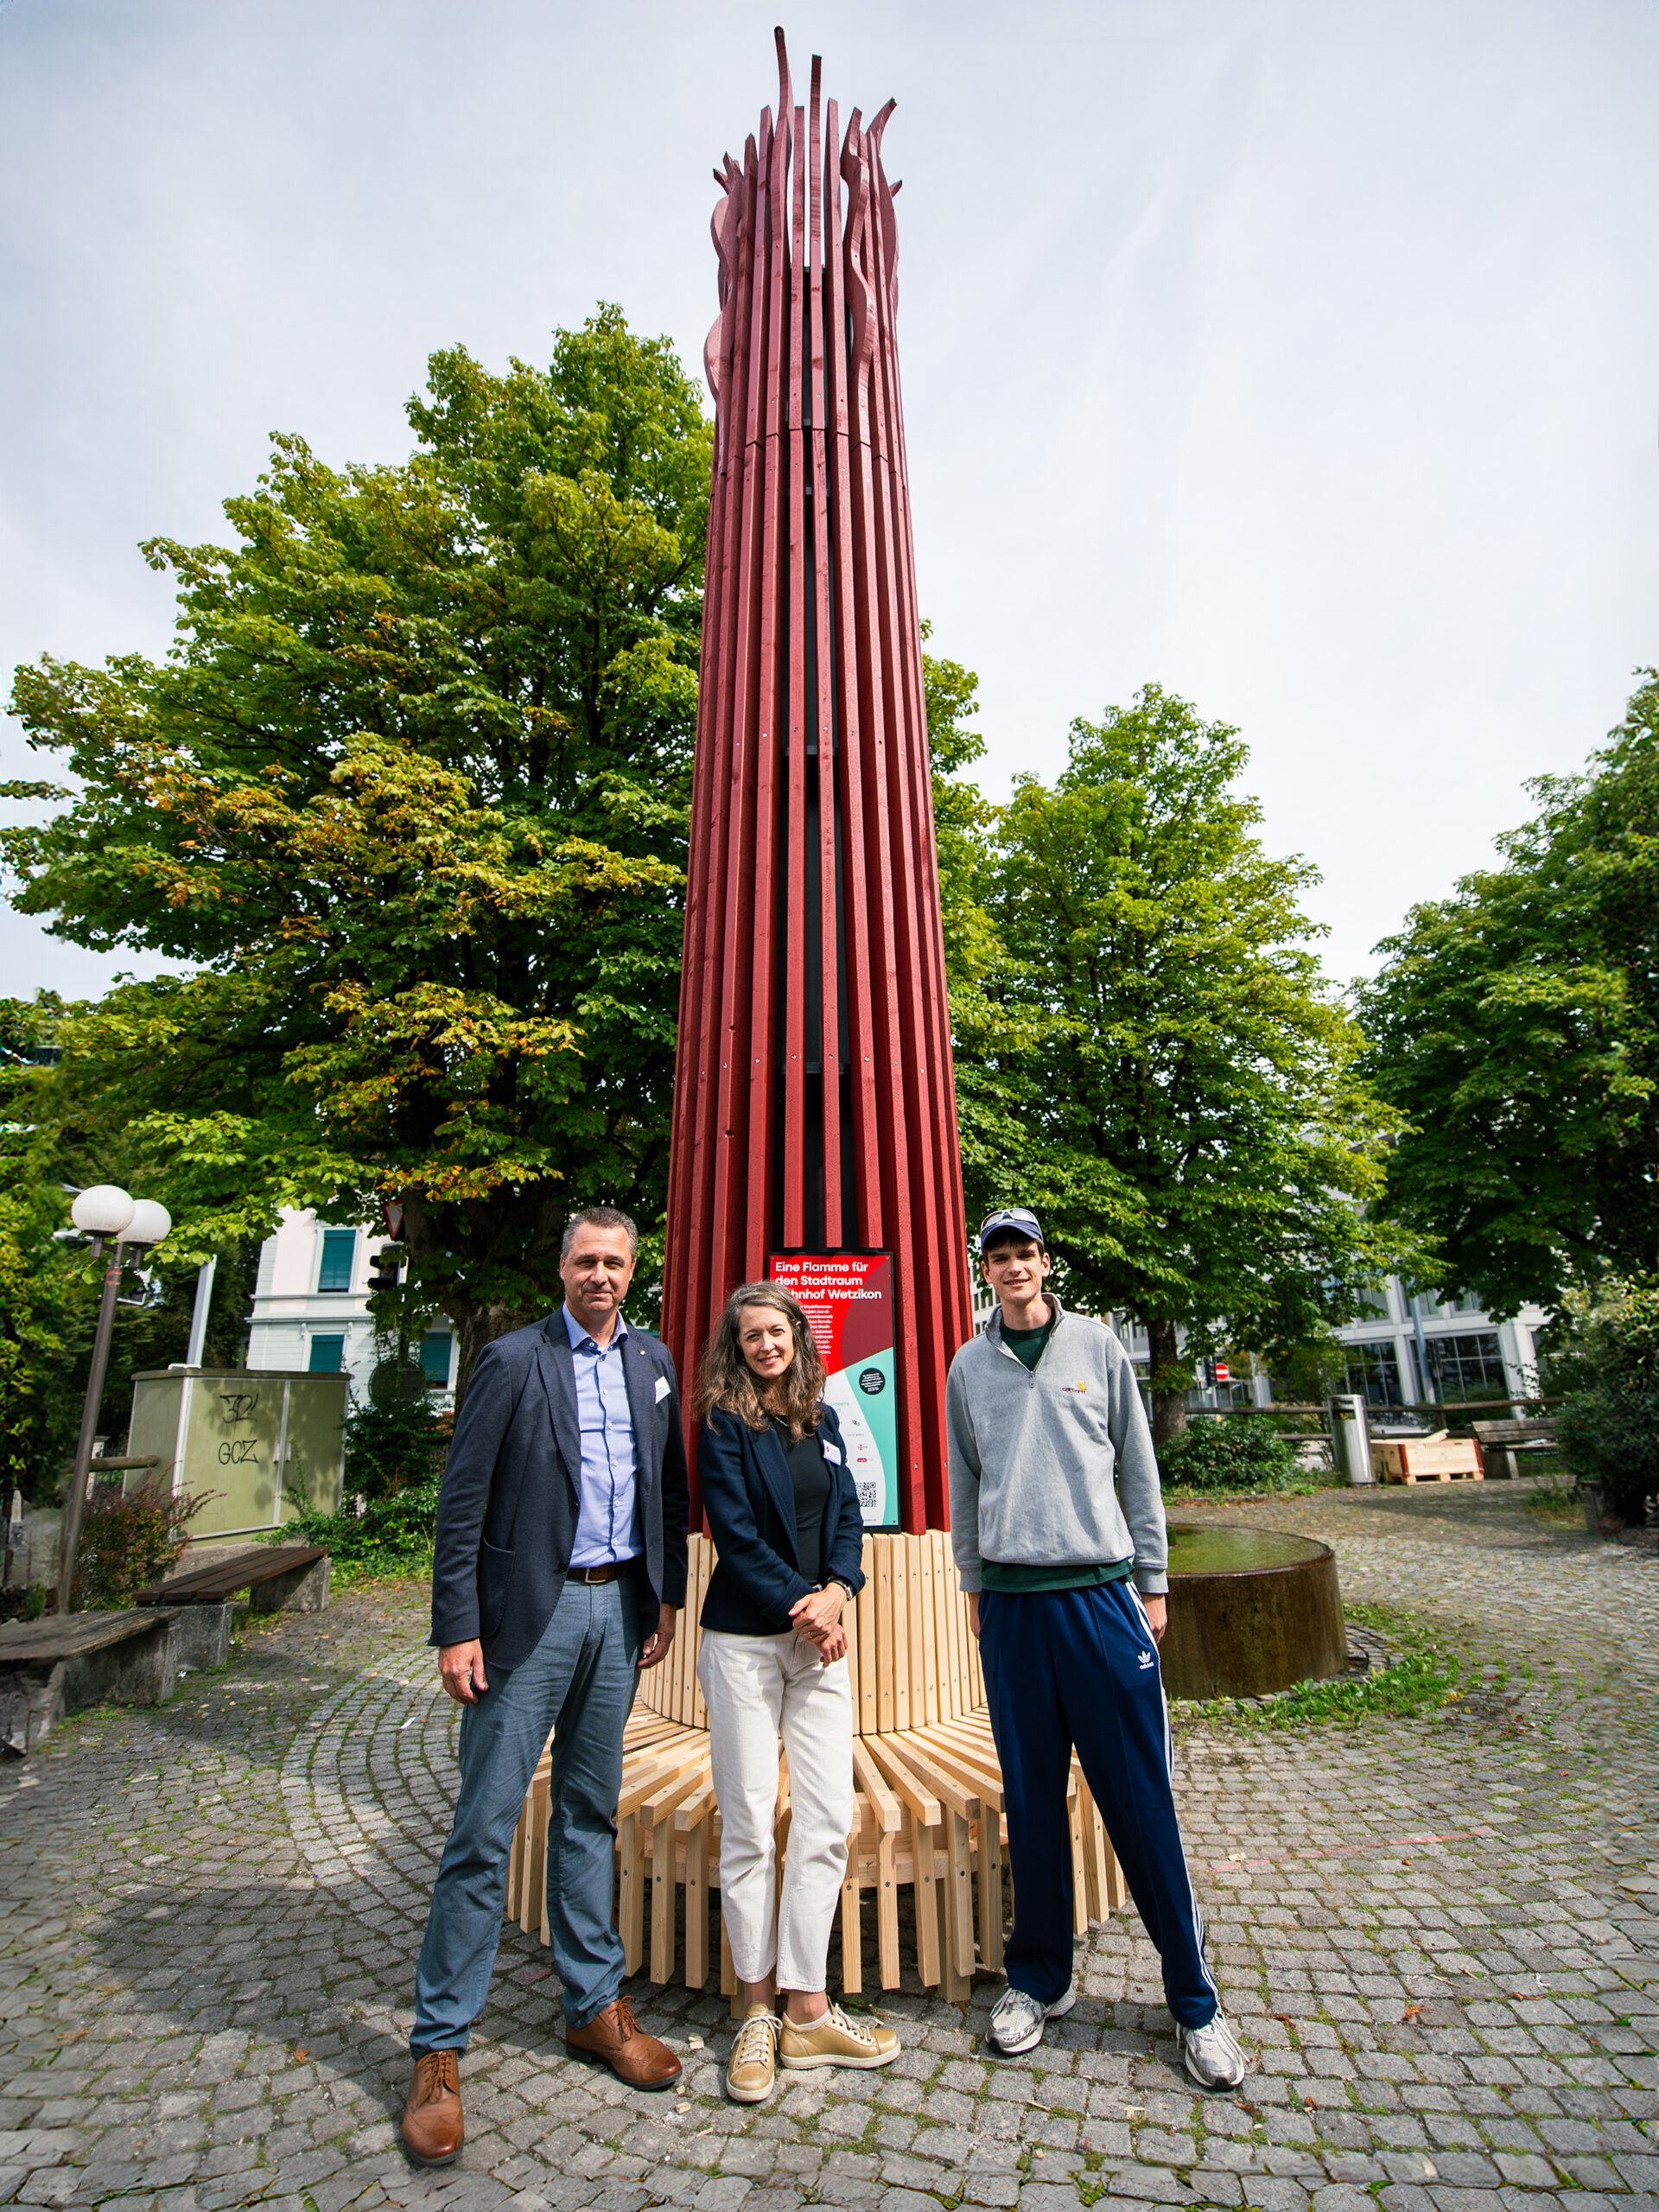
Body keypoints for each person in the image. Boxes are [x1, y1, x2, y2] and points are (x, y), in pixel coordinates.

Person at [402, 1206, 691, 2167]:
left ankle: (592, 2005)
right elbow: (463, 1497)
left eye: (615, 1261)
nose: (600, 1274)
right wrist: (458, 1625)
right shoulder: (516, 1359)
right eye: (586, 1260)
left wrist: (663, 1601)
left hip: (617, 1613)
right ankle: (439, 2047)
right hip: (530, 1614)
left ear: (632, 1269)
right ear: (561, 1266)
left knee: (588, 1814)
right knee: (483, 1830)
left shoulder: (651, 1360)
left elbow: (669, 1488)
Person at [945, 1205, 1248, 2090]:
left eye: (1024, 1254)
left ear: (1046, 1262)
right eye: (997, 1257)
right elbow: (967, 1478)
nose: (1012, 1268)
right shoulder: (970, 1363)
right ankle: (1040, 1979)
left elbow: (1138, 1464)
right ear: (987, 1270)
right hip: (1010, 1603)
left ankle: (1195, 2003)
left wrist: (1152, 1578)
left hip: (1100, 1596)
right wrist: (972, 1577)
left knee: (1140, 1800)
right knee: (1032, 1803)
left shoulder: (1098, 1347)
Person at [693, 1282, 900, 2105]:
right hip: (746, 1641)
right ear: (736, 1347)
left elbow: (849, 1516)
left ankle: (808, 2007)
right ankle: (755, 2009)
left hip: (820, 1637)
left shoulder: (823, 1415)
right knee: (747, 1821)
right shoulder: (722, 1424)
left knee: (823, 1818)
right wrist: (806, 1608)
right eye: (751, 1337)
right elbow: (734, 1537)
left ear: (797, 1335)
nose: (766, 1346)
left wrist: (839, 1591)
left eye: (776, 1332)